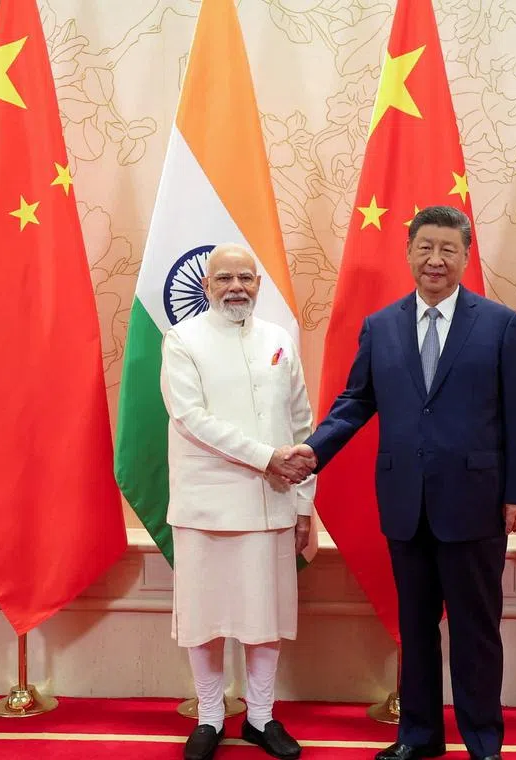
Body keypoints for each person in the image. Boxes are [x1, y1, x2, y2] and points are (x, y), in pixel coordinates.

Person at [291, 206, 516, 760]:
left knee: (476, 632)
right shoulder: (381, 327)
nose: (435, 260)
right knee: (415, 628)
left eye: (448, 249)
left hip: (476, 504)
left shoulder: (499, 324)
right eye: (425, 247)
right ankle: (419, 736)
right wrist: (313, 450)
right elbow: (357, 402)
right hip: (406, 503)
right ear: (407, 253)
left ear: (466, 257)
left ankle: (482, 742)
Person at [161, 243, 316, 760]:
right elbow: (191, 418)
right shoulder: (182, 339)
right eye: (224, 277)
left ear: (258, 284)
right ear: (207, 285)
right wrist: (267, 456)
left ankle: (260, 717)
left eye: (245, 278)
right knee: (205, 619)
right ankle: (208, 717)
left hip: (271, 504)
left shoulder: (278, 339)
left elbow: (302, 426)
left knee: (262, 619)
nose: (236, 287)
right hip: (205, 505)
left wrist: (303, 504)